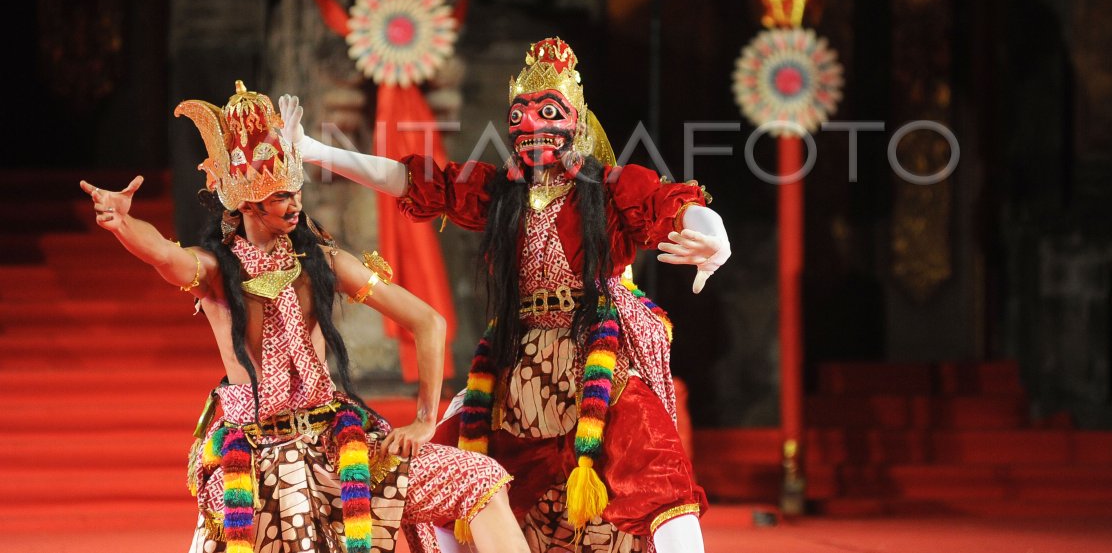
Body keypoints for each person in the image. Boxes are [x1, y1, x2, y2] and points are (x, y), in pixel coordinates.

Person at [283, 38, 732, 553]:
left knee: (654, 463)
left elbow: (671, 203)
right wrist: (317, 152)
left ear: (576, 122)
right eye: (519, 114)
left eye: (547, 111)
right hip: (520, 366)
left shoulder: (610, 189)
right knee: (445, 467)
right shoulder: (500, 194)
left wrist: (714, 234)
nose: (530, 125)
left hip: (596, 358)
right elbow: (415, 180)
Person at [83, 81, 529, 553]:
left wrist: (424, 419)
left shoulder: (324, 261)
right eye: (280, 197)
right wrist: (123, 224)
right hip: (254, 459)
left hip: (338, 445)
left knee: (479, 479)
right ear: (245, 203)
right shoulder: (214, 271)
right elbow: (161, 256)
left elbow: (428, 322)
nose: (295, 205)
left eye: (296, 192)